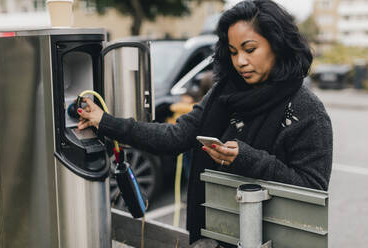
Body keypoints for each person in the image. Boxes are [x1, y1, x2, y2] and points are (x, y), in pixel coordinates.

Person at [77, 0, 333, 245]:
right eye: (233, 52)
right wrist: (105, 121)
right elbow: (175, 136)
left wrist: (248, 159)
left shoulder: (307, 111)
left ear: (277, 45)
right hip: (212, 236)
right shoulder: (224, 93)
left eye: (250, 49)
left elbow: (312, 192)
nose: (240, 61)